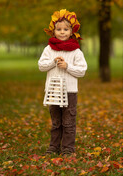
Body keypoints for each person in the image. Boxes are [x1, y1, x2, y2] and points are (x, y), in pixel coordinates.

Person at [38, 9, 87, 155]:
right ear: (54, 32)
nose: (62, 32)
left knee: (68, 122)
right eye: (59, 29)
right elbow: (41, 66)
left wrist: (68, 66)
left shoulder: (76, 52)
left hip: (69, 92)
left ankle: (67, 148)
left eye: (66, 29)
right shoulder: (48, 49)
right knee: (56, 122)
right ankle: (54, 147)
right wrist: (53, 62)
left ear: (72, 31)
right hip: (53, 92)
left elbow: (82, 70)